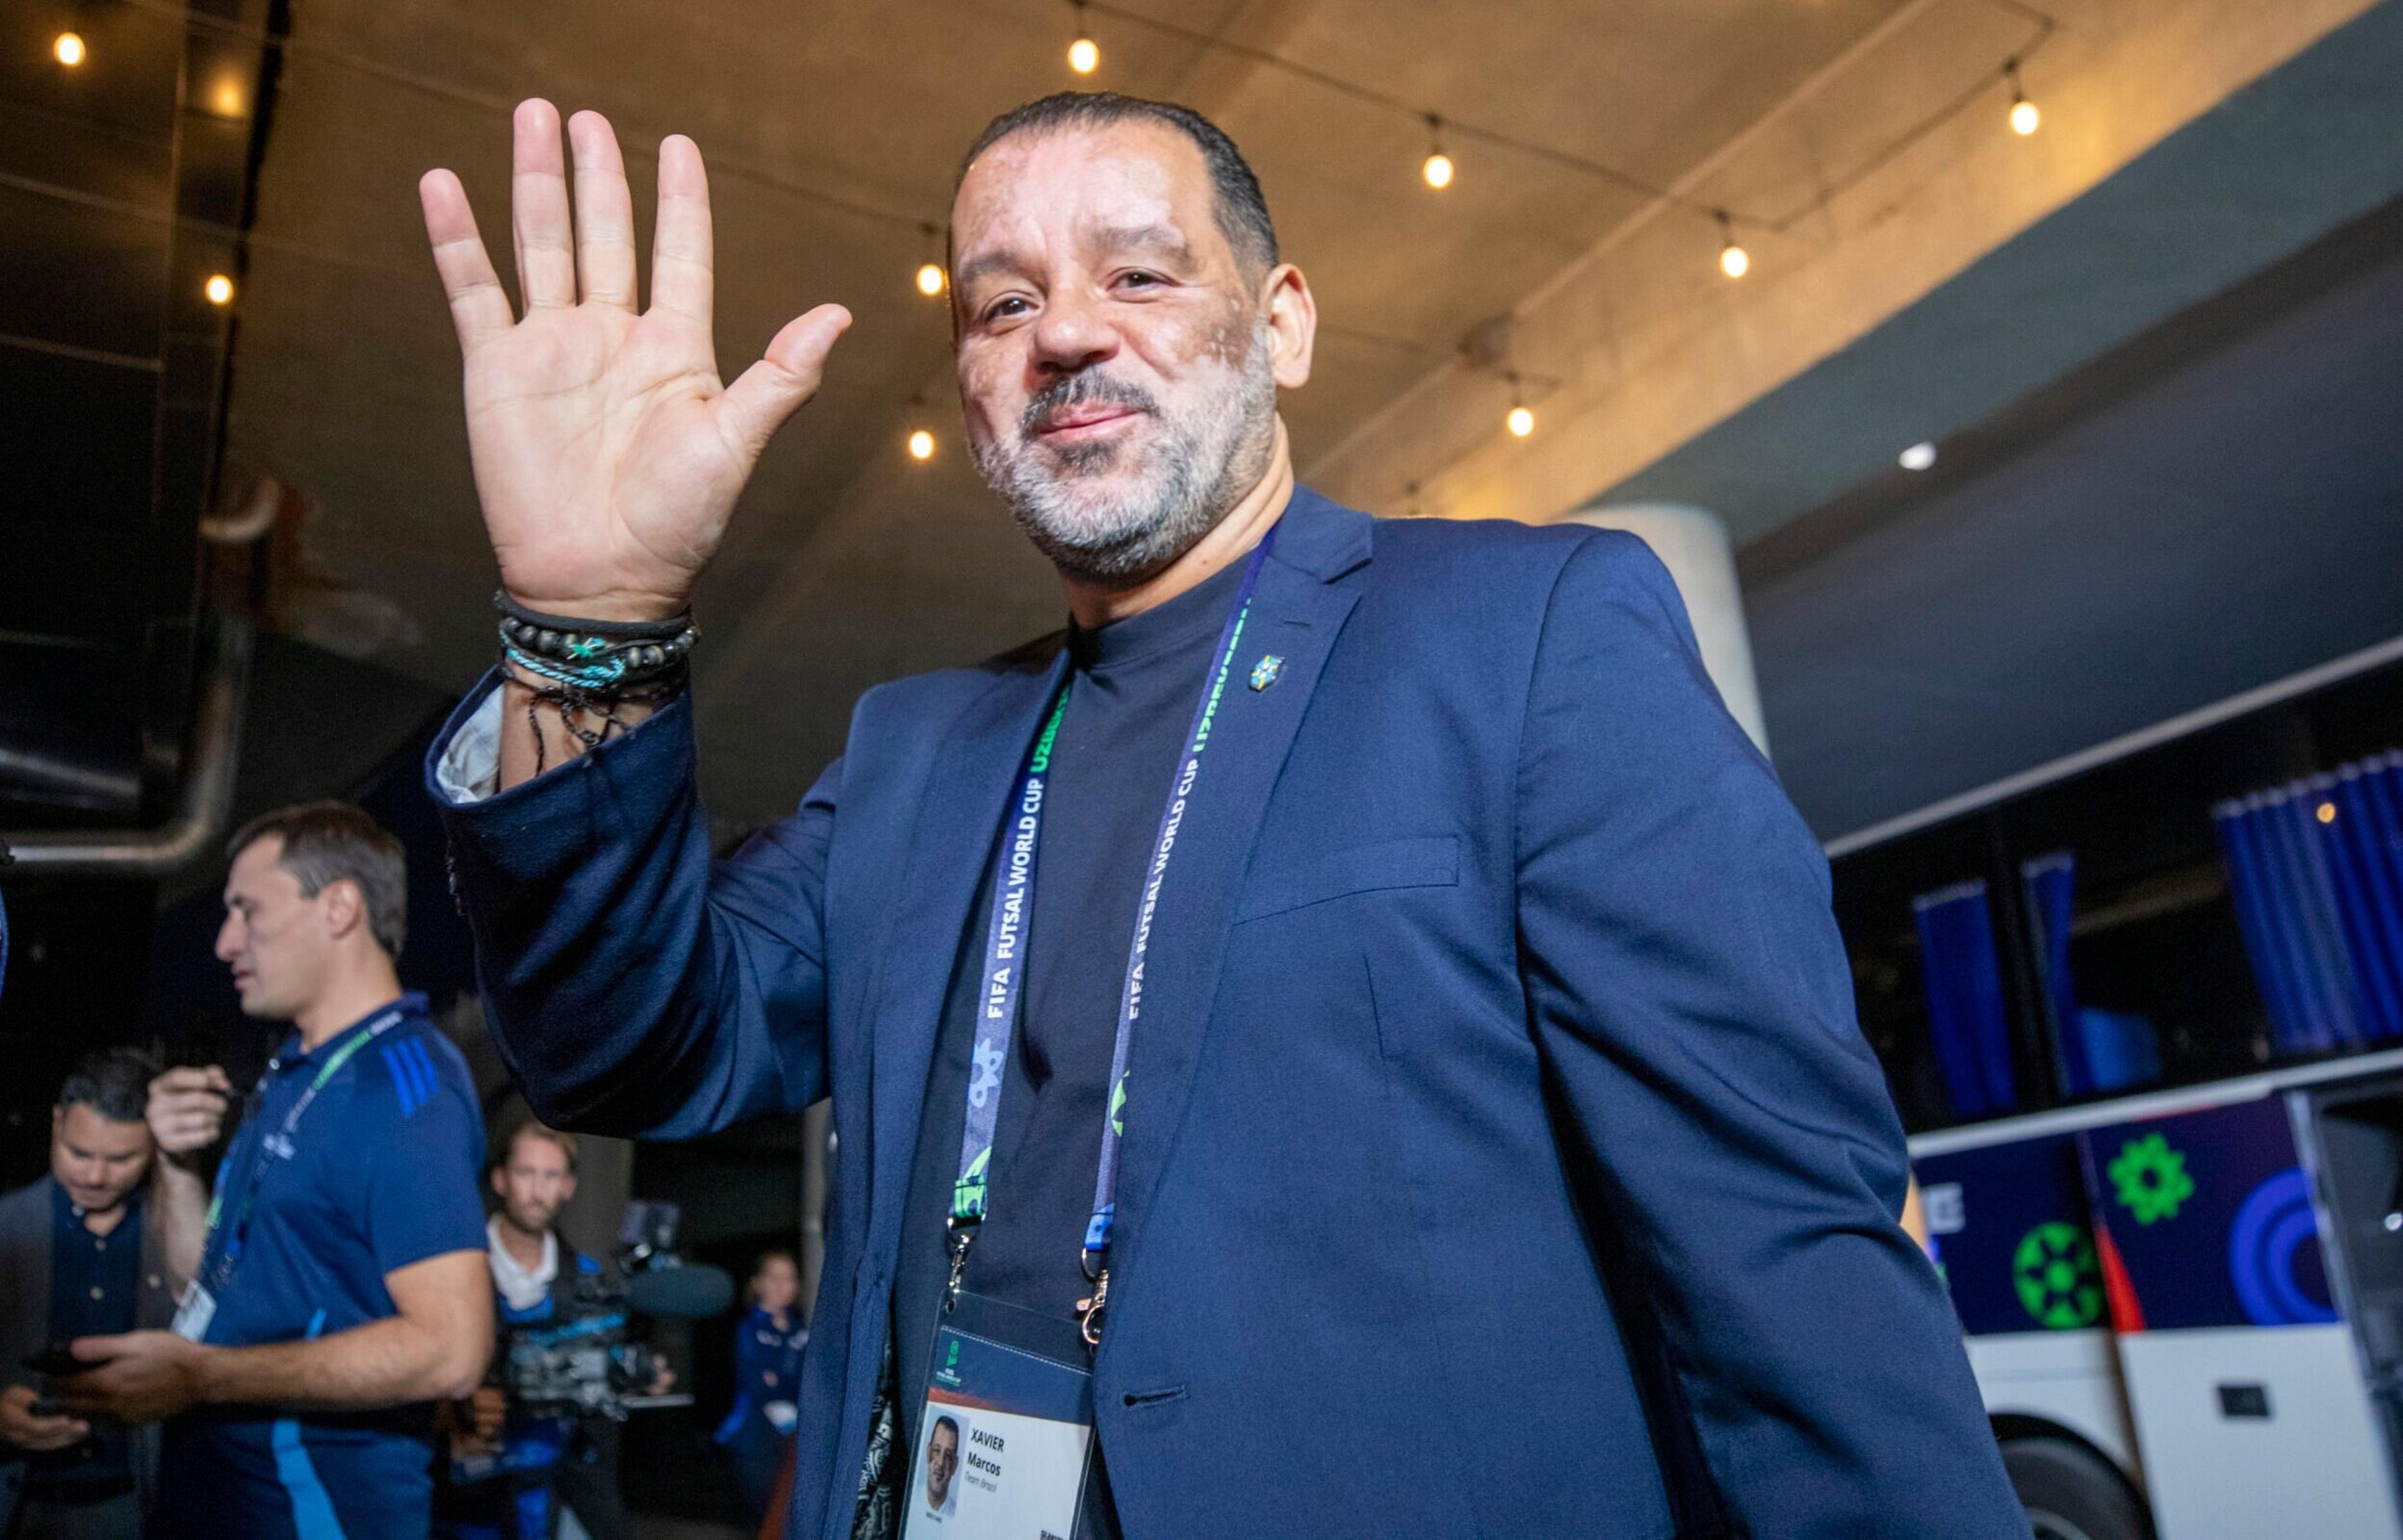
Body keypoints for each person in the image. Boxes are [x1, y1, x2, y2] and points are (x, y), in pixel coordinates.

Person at [415, 91, 2031, 1538]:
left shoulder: (1524, 638)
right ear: (974, 388)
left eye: (1137, 273)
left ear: (1282, 322)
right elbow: (634, 1041)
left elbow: (1783, 1251)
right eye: (1002, 301)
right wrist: (592, 621)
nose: (1062, 334)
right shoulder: (916, 755)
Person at [54, 801, 495, 1539]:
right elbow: (213, 1284)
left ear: (339, 907)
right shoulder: (293, 1071)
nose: (225, 942)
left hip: (314, 1508)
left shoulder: (403, 1085)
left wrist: (203, 1376)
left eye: (247, 910)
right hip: (221, 1490)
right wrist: (176, 1164)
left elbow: (453, 1350)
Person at [0, 1049, 177, 1539]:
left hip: (132, 1514)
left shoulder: (178, 1246)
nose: (94, 1176)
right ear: (56, 1125)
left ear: (155, 1146)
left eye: (121, 1159)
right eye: (80, 1153)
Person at [433, 1119, 626, 1540]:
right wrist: (452, 1406)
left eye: (551, 1175)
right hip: (469, 1501)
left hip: (563, 1486)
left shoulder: (589, 1281)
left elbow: (605, 1375)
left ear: (569, 1186)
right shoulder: (451, 1274)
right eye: (526, 1173)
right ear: (501, 1179)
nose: (538, 1190)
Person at [713, 1249, 805, 1525]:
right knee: (763, 1517)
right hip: (753, 1438)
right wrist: (777, 1386)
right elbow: (757, 1381)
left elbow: (803, 1382)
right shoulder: (747, 1328)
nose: (781, 1286)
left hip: (793, 1439)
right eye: (773, 1277)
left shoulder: (801, 1329)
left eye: (788, 1278)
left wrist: (780, 1383)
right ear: (757, 1283)